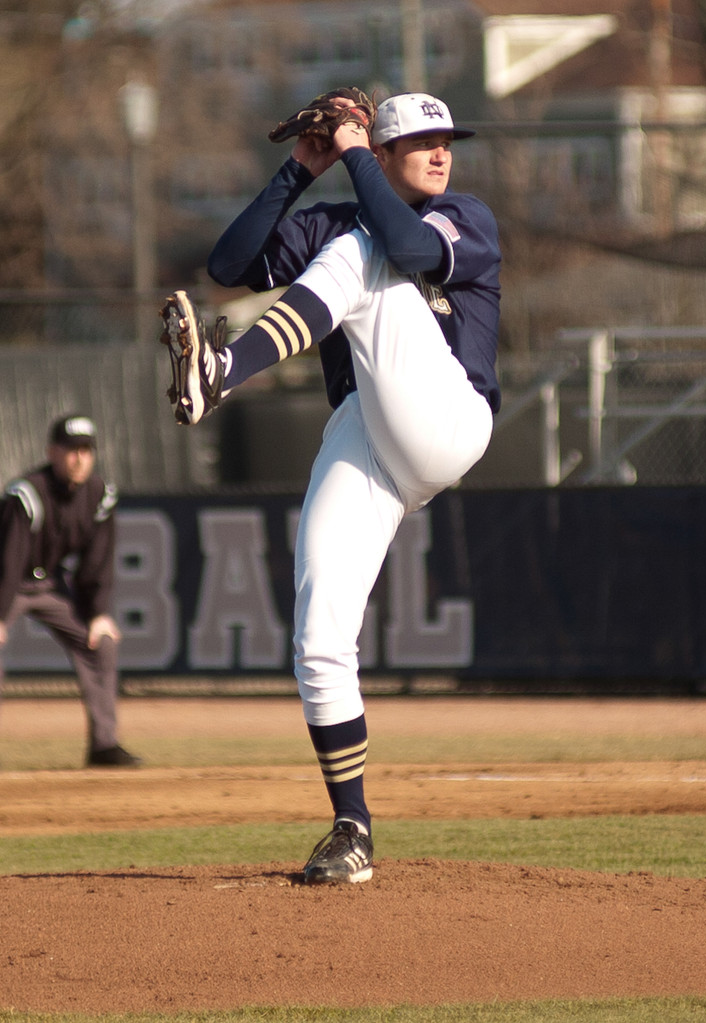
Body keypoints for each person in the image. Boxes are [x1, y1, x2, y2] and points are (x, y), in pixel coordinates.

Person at [159, 91, 501, 882]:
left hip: (449, 417)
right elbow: (228, 269)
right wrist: (299, 169)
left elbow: (408, 247)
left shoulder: (465, 216)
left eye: (446, 140)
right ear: (384, 155)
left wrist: (352, 153)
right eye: (420, 141)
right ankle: (352, 829)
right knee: (318, 637)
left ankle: (221, 373)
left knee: (368, 252)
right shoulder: (337, 216)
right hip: (367, 431)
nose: (440, 152)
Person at [0, 414, 141, 768]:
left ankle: (104, 746)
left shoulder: (98, 494)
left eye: (86, 450)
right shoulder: (26, 493)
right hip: (6, 585)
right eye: (71, 450)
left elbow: (97, 561)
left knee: (101, 643)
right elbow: (8, 560)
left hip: (48, 584)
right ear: (52, 452)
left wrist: (97, 613)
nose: (79, 458)